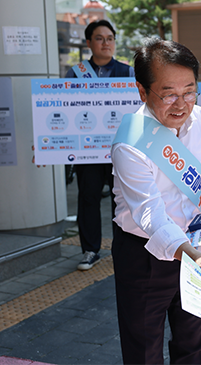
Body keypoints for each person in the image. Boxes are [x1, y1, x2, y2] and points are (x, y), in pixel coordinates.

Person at [111, 38, 201, 365]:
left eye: (189, 91)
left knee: (193, 344)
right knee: (144, 350)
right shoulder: (130, 143)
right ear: (142, 91)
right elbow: (150, 215)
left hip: (194, 243)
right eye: (169, 94)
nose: (182, 104)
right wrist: (191, 255)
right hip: (144, 255)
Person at [65, 20, 135, 271]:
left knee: (123, 202)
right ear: (88, 43)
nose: (106, 43)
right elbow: (62, 111)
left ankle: (123, 249)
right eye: (99, 38)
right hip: (89, 151)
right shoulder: (76, 73)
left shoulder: (128, 73)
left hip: (121, 151)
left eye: (110, 38)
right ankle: (90, 250)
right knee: (88, 199)